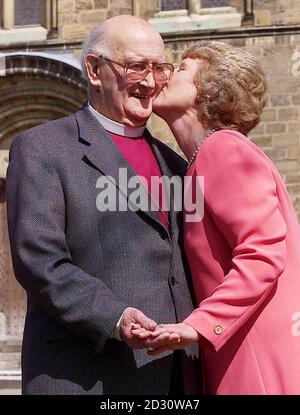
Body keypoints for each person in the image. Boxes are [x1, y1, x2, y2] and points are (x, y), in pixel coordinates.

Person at [6, 15, 200, 395]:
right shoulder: (43, 149)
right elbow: (39, 261)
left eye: (160, 68)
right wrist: (115, 317)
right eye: (135, 66)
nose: (149, 82)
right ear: (94, 70)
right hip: (85, 377)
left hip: (172, 379)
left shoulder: (176, 164)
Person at [132, 41, 300, 394]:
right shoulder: (201, 160)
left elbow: (264, 253)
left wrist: (200, 325)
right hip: (236, 345)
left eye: (180, 69)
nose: (163, 76)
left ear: (207, 90)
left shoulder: (223, 149)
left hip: (252, 352)